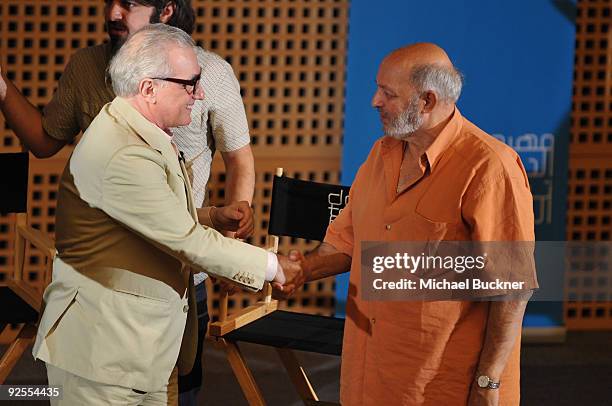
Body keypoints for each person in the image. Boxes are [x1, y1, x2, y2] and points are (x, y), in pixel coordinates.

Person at [32, 24, 301, 405]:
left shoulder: (135, 130)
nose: (201, 94)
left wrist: (209, 216)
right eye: (190, 84)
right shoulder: (123, 153)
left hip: (138, 353)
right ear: (148, 89)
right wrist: (276, 268)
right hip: (101, 357)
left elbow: (142, 221)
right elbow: (187, 243)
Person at [0, 1, 254, 403]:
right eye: (109, 2)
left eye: (130, 3)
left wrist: (230, 242)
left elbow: (238, 160)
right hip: (108, 294)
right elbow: (45, 141)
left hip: (183, 277)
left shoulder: (207, 74)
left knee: (175, 391)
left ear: (167, 10)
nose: (113, 13)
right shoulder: (88, 71)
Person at [274, 43, 537, 405]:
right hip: (372, 375)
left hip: (442, 385)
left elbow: (512, 288)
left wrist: (488, 382)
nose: (374, 101)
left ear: (427, 101)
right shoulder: (381, 154)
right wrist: (301, 269)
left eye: (388, 93)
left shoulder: (490, 168)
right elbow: (348, 239)